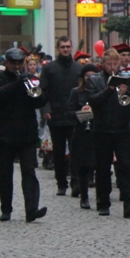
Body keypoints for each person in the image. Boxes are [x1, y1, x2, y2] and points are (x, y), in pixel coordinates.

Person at [0, 47, 48, 222]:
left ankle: (32, 209)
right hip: (4, 134)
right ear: (7, 63)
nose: (18, 66)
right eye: (14, 63)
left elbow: (41, 101)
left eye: (20, 63)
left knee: (29, 171)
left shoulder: (30, 79)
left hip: (26, 133)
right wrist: (17, 83)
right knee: (5, 172)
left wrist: (34, 87)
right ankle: (6, 209)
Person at [86, 48, 130, 219]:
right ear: (103, 64)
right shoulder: (94, 80)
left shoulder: (126, 79)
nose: (112, 67)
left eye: (115, 64)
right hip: (101, 130)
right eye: (109, 64)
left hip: (122, 129)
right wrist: (109, 89)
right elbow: (93, 101)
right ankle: (103, 203)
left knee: (125, 166)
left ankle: (129, 203)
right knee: (102, 167)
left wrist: (127, 92)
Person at [39, 36, 83, 197]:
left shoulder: (78, 68)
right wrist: (45, 109)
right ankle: (61, 183)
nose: (65, 49)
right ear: (58, 49)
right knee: (58, 152)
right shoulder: (49, 69)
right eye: (62, 47)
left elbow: (84, 91)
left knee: (75, 151)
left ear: (71, 48)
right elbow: (42, 91)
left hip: (74, 116)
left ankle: (75, 181)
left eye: (68, 46)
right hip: (55, 115)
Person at [67, 64, 98, 210]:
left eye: (93, 75)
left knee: (99, 165)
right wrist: (82, 112)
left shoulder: (100, 91)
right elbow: (69, 113)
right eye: (87, 75)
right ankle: (84, 196)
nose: (90, 78)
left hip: (97, 131)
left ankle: (101, 196)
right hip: (81, 133)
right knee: (84, 166)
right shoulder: (76, 92)